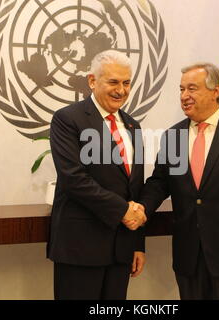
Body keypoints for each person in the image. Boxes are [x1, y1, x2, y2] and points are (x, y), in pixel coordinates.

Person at [136, 63, 219, 300]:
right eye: (181, 90)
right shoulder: (173, 136)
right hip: (189, 257)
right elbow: (160, 183)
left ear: (215, 91)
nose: (184, 96)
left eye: (192, 89)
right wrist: (141, 209)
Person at [47, 50, 147, 300]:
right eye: (113, 82)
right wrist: (123, 211)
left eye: (126, 83)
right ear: (92, 81)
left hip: (121, 249)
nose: (121, 90)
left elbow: (134, 189)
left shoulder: (133, 126)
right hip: (80, 248)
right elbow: (74, 179)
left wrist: (137, 244)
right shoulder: (67, 119)